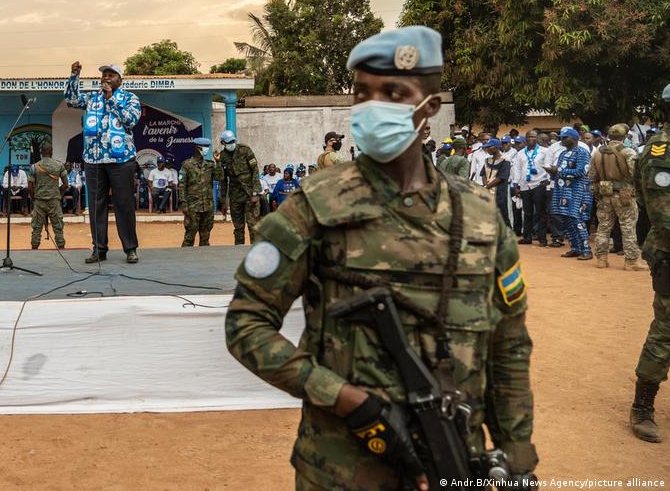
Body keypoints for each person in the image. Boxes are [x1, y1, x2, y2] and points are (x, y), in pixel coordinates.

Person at [225, 26, 536, 488]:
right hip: (341, 466)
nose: (373, 107)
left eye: (393, 92)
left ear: (429, 108)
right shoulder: (315, 206)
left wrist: (517, 457)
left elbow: (508, 345)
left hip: (453, 459)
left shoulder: (481, 217)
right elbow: (246, 324)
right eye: (362, 94)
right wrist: (344, 397)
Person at [64, 61, 142, 264]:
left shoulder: (130, 98)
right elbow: (71, 100)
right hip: (94, 159)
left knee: (123, 204)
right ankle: (99, 249)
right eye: (104, 75)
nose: (106, 78)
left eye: (111, 75)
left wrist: (111, 100)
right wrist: (74, 76)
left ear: (120, 79)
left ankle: (130, 248)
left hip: (121, 160)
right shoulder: (92, 98)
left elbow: (130, 121)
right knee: (96, 205)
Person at [630, 84, 670, 443]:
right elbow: (662, 214)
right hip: (669, 251)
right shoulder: (660, 152)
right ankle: (643, 406)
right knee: (667, 329)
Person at [590, 124, 644, 270]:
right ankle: (631, 261)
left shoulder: (598, 153)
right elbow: (636, 175)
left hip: (604, 194)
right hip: (625, 195)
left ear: (609, 136)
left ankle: (601, 259)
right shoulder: (628, 152)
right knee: (628, 227)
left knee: (603, 227)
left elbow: (592, 176)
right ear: (625, 136)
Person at [551, 127, 592, 259]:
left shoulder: (582, 152)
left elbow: (581, 172)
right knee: (566, 220)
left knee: (577, 220)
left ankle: (586, 250)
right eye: (561, 137)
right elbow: (559, 170)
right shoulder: (563, 154)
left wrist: (560, 172)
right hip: (562, 192)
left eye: (565, 137)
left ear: (575, 139)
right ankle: (575, 248)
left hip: (578, 191)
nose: (561, 140)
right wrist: (553, 172)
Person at [214, 130, 260, 245]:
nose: (231, 144)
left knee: (253, 225)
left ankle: (255, 251)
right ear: (223, 143)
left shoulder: (245, 150)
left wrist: (255, 192)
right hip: (235, 196)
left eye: (233, 141)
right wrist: (223, 200)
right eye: (228, 142)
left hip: (250, 194)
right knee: (238, 227)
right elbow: (222, 179)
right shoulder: (222, 156)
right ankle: (238, 250)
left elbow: (255, 170)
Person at [30, 143, 68, 249]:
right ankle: (61, 246)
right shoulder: (59, 165)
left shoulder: (34, 167)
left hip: (39, 201)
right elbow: (66, 185)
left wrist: (34, 198)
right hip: (54, 200)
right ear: (51, 152)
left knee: (36, 227)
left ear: (41, 152)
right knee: (58, 227)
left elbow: (30, 187)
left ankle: (34, 248)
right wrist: (57, 192)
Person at [179, 137, 215, 247]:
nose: (207, 149)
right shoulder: (187, 165)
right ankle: (185, 259)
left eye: (208, 147)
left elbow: (220, 176)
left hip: (207, 205)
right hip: (193, 206)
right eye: (205, 147)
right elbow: (181, 185)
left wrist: (218, 162)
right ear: (197, 148)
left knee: (205, 236)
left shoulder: (210, 165)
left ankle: (203, 261)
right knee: (190, 235)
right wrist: (183, 203)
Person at [483, 138, 515, 228]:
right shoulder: (487, 160)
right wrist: (486, 185)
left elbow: (501, 178)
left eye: (489, 147)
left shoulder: (505, 160)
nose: (487, 149)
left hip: (499, 191)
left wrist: (486, 186)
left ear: (496, 148)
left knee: (502, 214)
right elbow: (483, 174)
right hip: (488, 190)